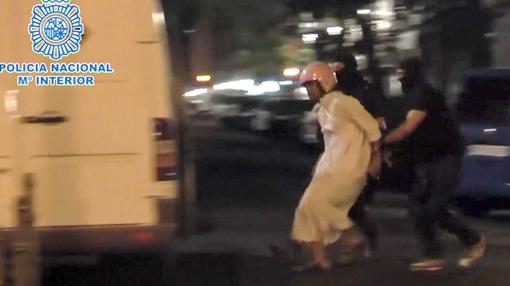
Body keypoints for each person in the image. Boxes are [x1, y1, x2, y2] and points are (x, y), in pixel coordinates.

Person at [383, 57, 486, 271]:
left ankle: (474, 241)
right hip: (427, 160)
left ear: (412, 73)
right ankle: (433, 256)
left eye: (402, 72)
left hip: (446, 158)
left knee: (435, 207)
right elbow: (411, 134)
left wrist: (381, 141)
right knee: (418, 208)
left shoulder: (425, 94)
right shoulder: (411, 96)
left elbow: (408, 128)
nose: (399, 77)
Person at [291, 62, 382, 271]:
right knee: (307, 208)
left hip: (349, 168)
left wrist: (375, 159)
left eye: (309, 85)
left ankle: (351, 237)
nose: (308, 91)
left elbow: (373, 130)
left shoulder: (345, 103)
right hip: (330, 166)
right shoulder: (324, 107)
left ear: (322, 82)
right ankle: (321, 257)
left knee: (319, 206)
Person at [332, 53, 386, 260]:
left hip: (363, 152)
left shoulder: (367, 91)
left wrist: (376, 155)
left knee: (352, 201)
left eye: (340, 69)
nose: (337, 74)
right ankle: (355, 241)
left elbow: (380, 123)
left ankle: (358, 242)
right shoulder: (335, 92)